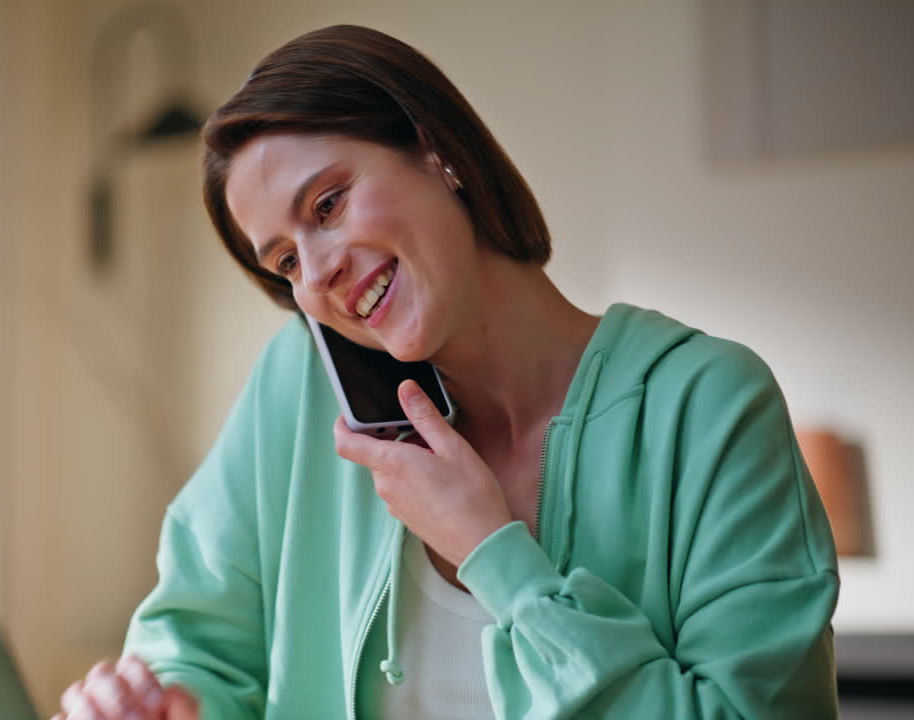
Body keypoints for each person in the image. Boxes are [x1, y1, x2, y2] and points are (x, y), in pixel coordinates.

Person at [55, 24, 840, 720]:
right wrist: (168, 703)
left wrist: (494, 551)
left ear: (438, 150)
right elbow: (201, 648)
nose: (316, 274)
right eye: (286, 260)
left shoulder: (708, 407)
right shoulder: (300, 389)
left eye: (328, 204)